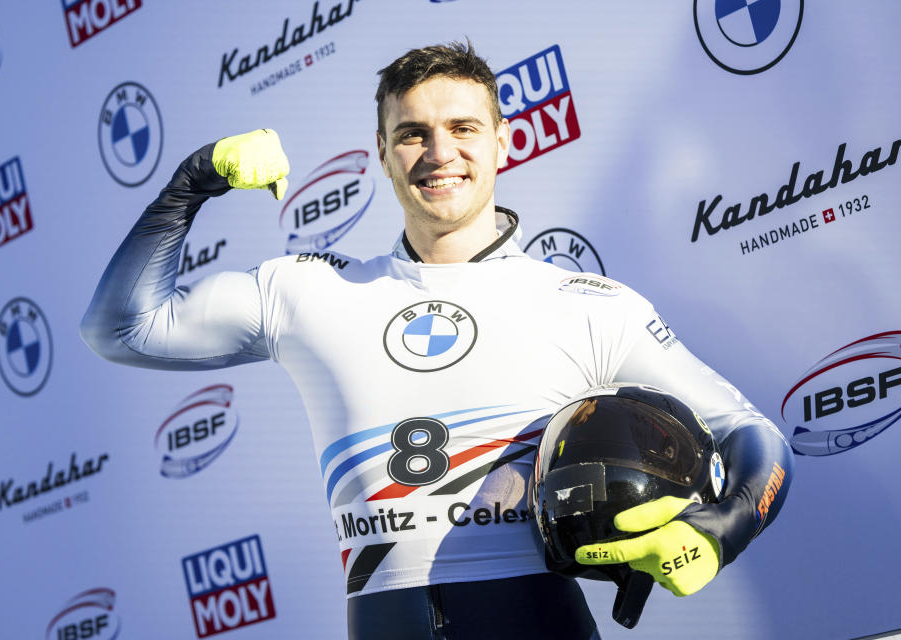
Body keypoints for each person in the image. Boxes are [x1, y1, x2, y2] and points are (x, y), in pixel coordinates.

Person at [81, 41, 793, 639]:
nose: (438, 152)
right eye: (412, 134)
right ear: (383, 155)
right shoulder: (310, 292)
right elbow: (119, 327)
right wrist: (191, 182)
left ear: (504, 141)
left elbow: (755, 436)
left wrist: (722, 527)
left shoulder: (584, 305)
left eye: (463, 128)